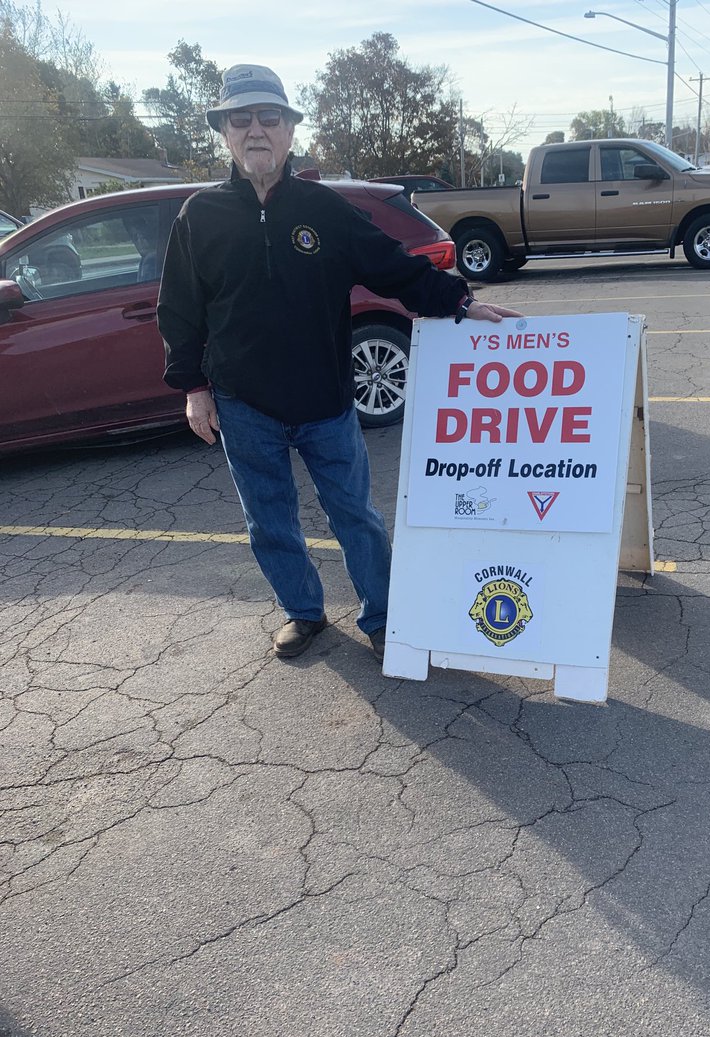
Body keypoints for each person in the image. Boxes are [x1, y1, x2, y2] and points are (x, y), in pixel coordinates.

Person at [157, 63, 519, 662]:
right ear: (223, 132)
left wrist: (459, 300)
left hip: (326, 400)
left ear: (290, 131)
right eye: (240, 119)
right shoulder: (200, 216)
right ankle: (304, 613)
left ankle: (385, 614)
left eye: (268, 118)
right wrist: (193, 385)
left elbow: (391, 264)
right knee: (269, 525)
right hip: (244, 405)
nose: (255, 130)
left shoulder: (323, 210)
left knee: (357, 517)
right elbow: (180, 309)